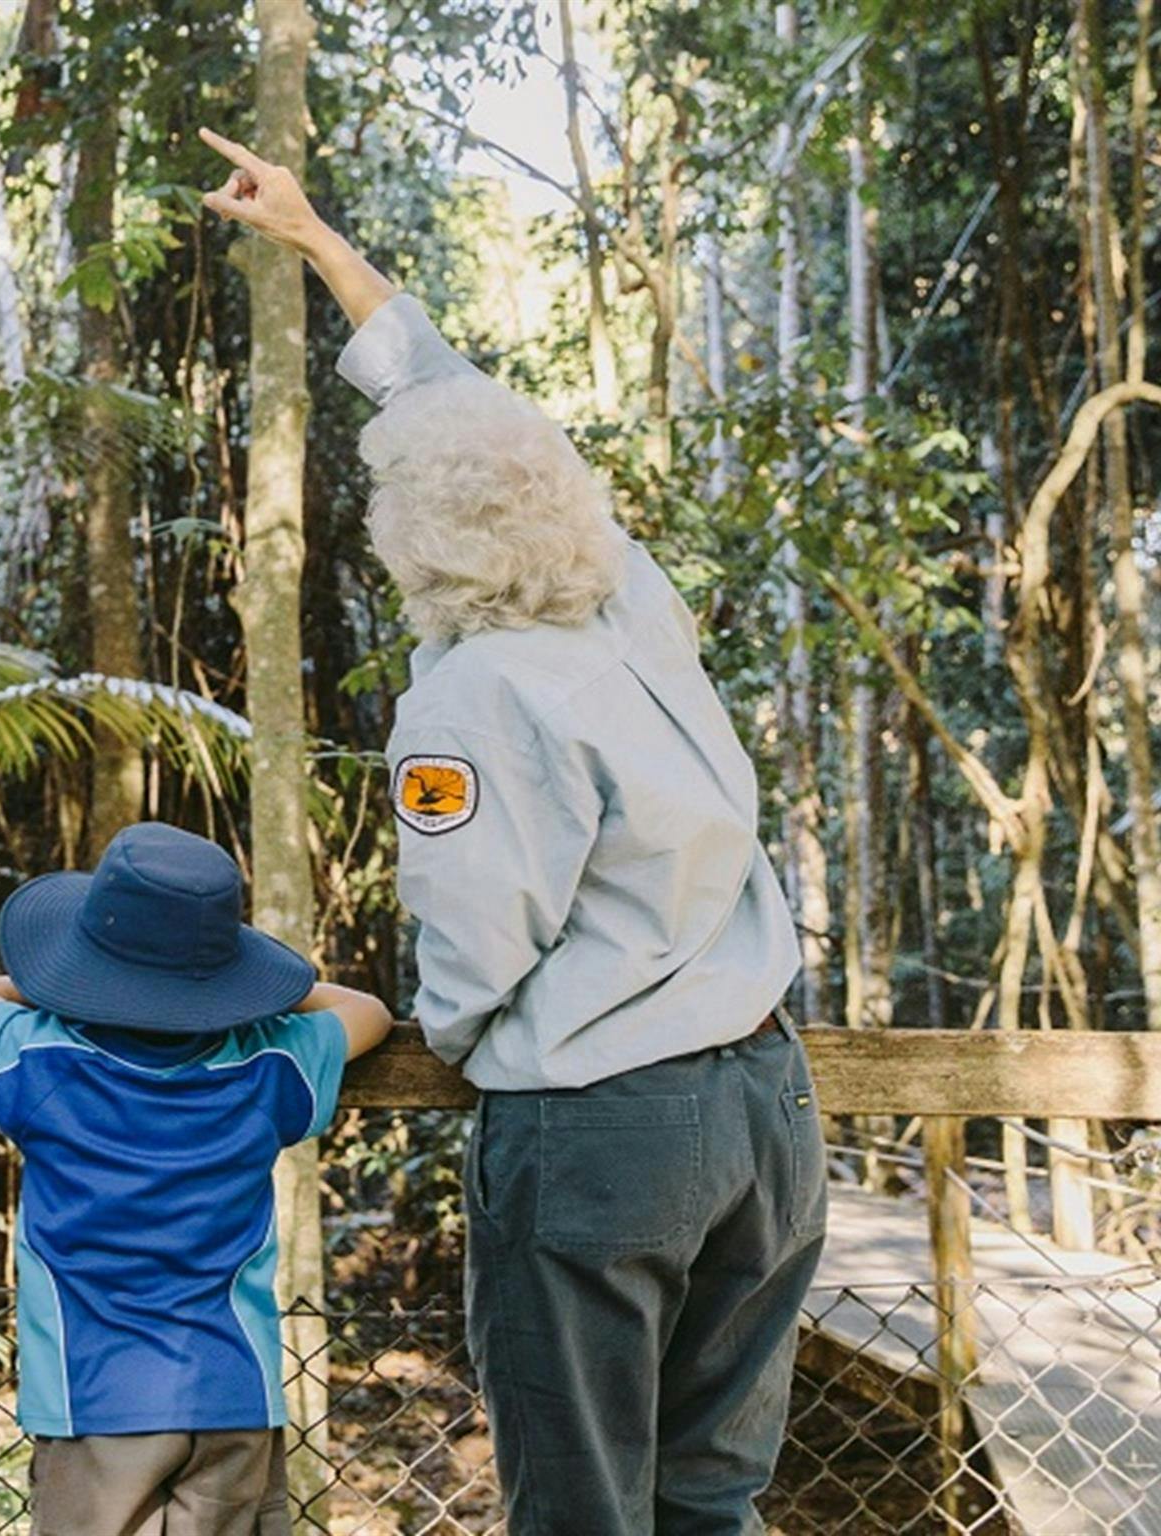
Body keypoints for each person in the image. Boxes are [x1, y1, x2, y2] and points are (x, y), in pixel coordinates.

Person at [199, 128, 827, 1536]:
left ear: (411, 541)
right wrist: (316, 242)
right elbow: (465, 411)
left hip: (610, 1124)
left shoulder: (470, 697)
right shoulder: (632, 600)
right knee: (709, 1497)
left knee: (580, 1502)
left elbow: (479, 941)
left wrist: (475, 1044)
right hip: (769, 1105)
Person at [0, 821, 393, 1536]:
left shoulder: (39, 1063)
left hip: (93, 1400)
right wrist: (256, 995)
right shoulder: (266, 1068)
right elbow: (367, 1012)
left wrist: (55, 983)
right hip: (234, 1395)